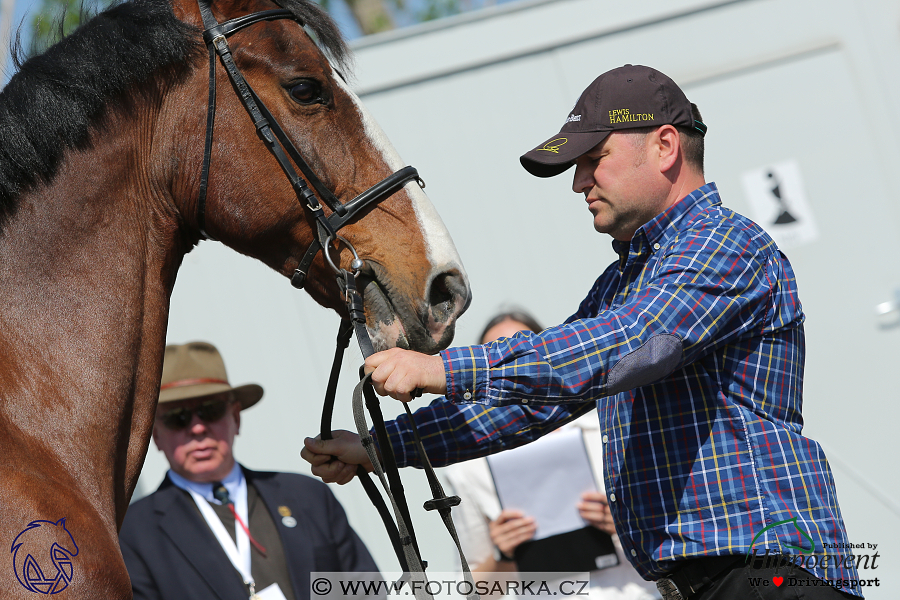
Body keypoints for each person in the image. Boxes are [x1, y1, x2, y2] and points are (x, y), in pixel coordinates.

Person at [301, 65, 861, 599]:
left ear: (665, 147)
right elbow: (533, 404)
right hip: (719, 579)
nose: (578, 182)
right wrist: (383, 448)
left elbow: (633, 343)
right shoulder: (627, 279)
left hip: (768, 575)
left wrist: (445, 369)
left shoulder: (724, 244)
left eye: (595, 158)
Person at [120, 342, 378, 600]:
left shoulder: (307, 496)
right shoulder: (133, 534)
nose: (198, 428)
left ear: (236, 418)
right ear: (154, 435)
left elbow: (367, 589)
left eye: (210, 410)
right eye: (178, 417)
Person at [441, 311, 660, 600]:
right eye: (498, 358)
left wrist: (622, 524)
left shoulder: (608, 430)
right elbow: (472, 591)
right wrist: (502, 554)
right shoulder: (469, 469)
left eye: (520, 353)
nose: (512, 369)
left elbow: (676, 534)